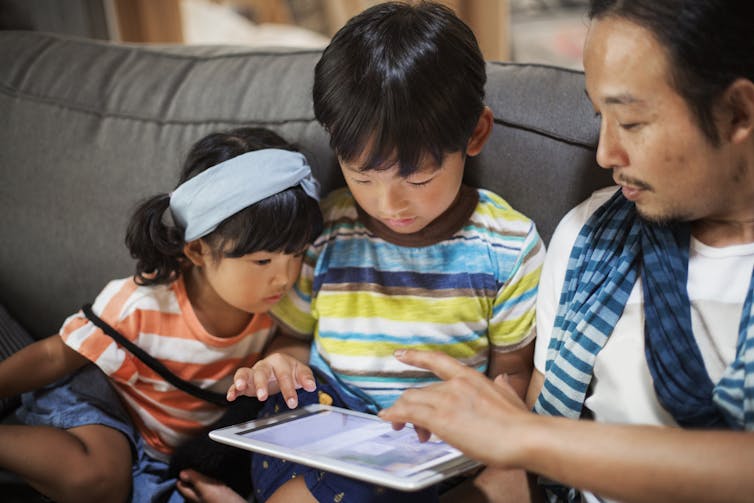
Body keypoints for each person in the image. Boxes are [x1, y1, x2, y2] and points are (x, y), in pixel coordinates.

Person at [379, 0, 754, 502]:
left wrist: (527, 438)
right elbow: (529, 465)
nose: (605, 155)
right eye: (599, 116)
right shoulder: (590, 239)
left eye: (632, 122)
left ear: (737, 112)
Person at [224, 2, 545, 502]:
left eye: (418, 179)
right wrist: (281, 365)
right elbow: (290, 339)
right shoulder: (325, 230)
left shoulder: (506, 247)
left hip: (430, 443)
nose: (388, 203)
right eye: (362, 176)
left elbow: (513, 375)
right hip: (327, 425)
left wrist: (480, 417)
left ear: (475, 133)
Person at [0, 127, 324, 503]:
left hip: (176, 452)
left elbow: (293, 346)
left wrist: (279, 363)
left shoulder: (281, 306)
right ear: (199, 251)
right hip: (107, 410)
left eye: (297, 254)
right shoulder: (141, 304)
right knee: (99, 477)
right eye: (263, 260)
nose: (284, 277)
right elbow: (54, 354)